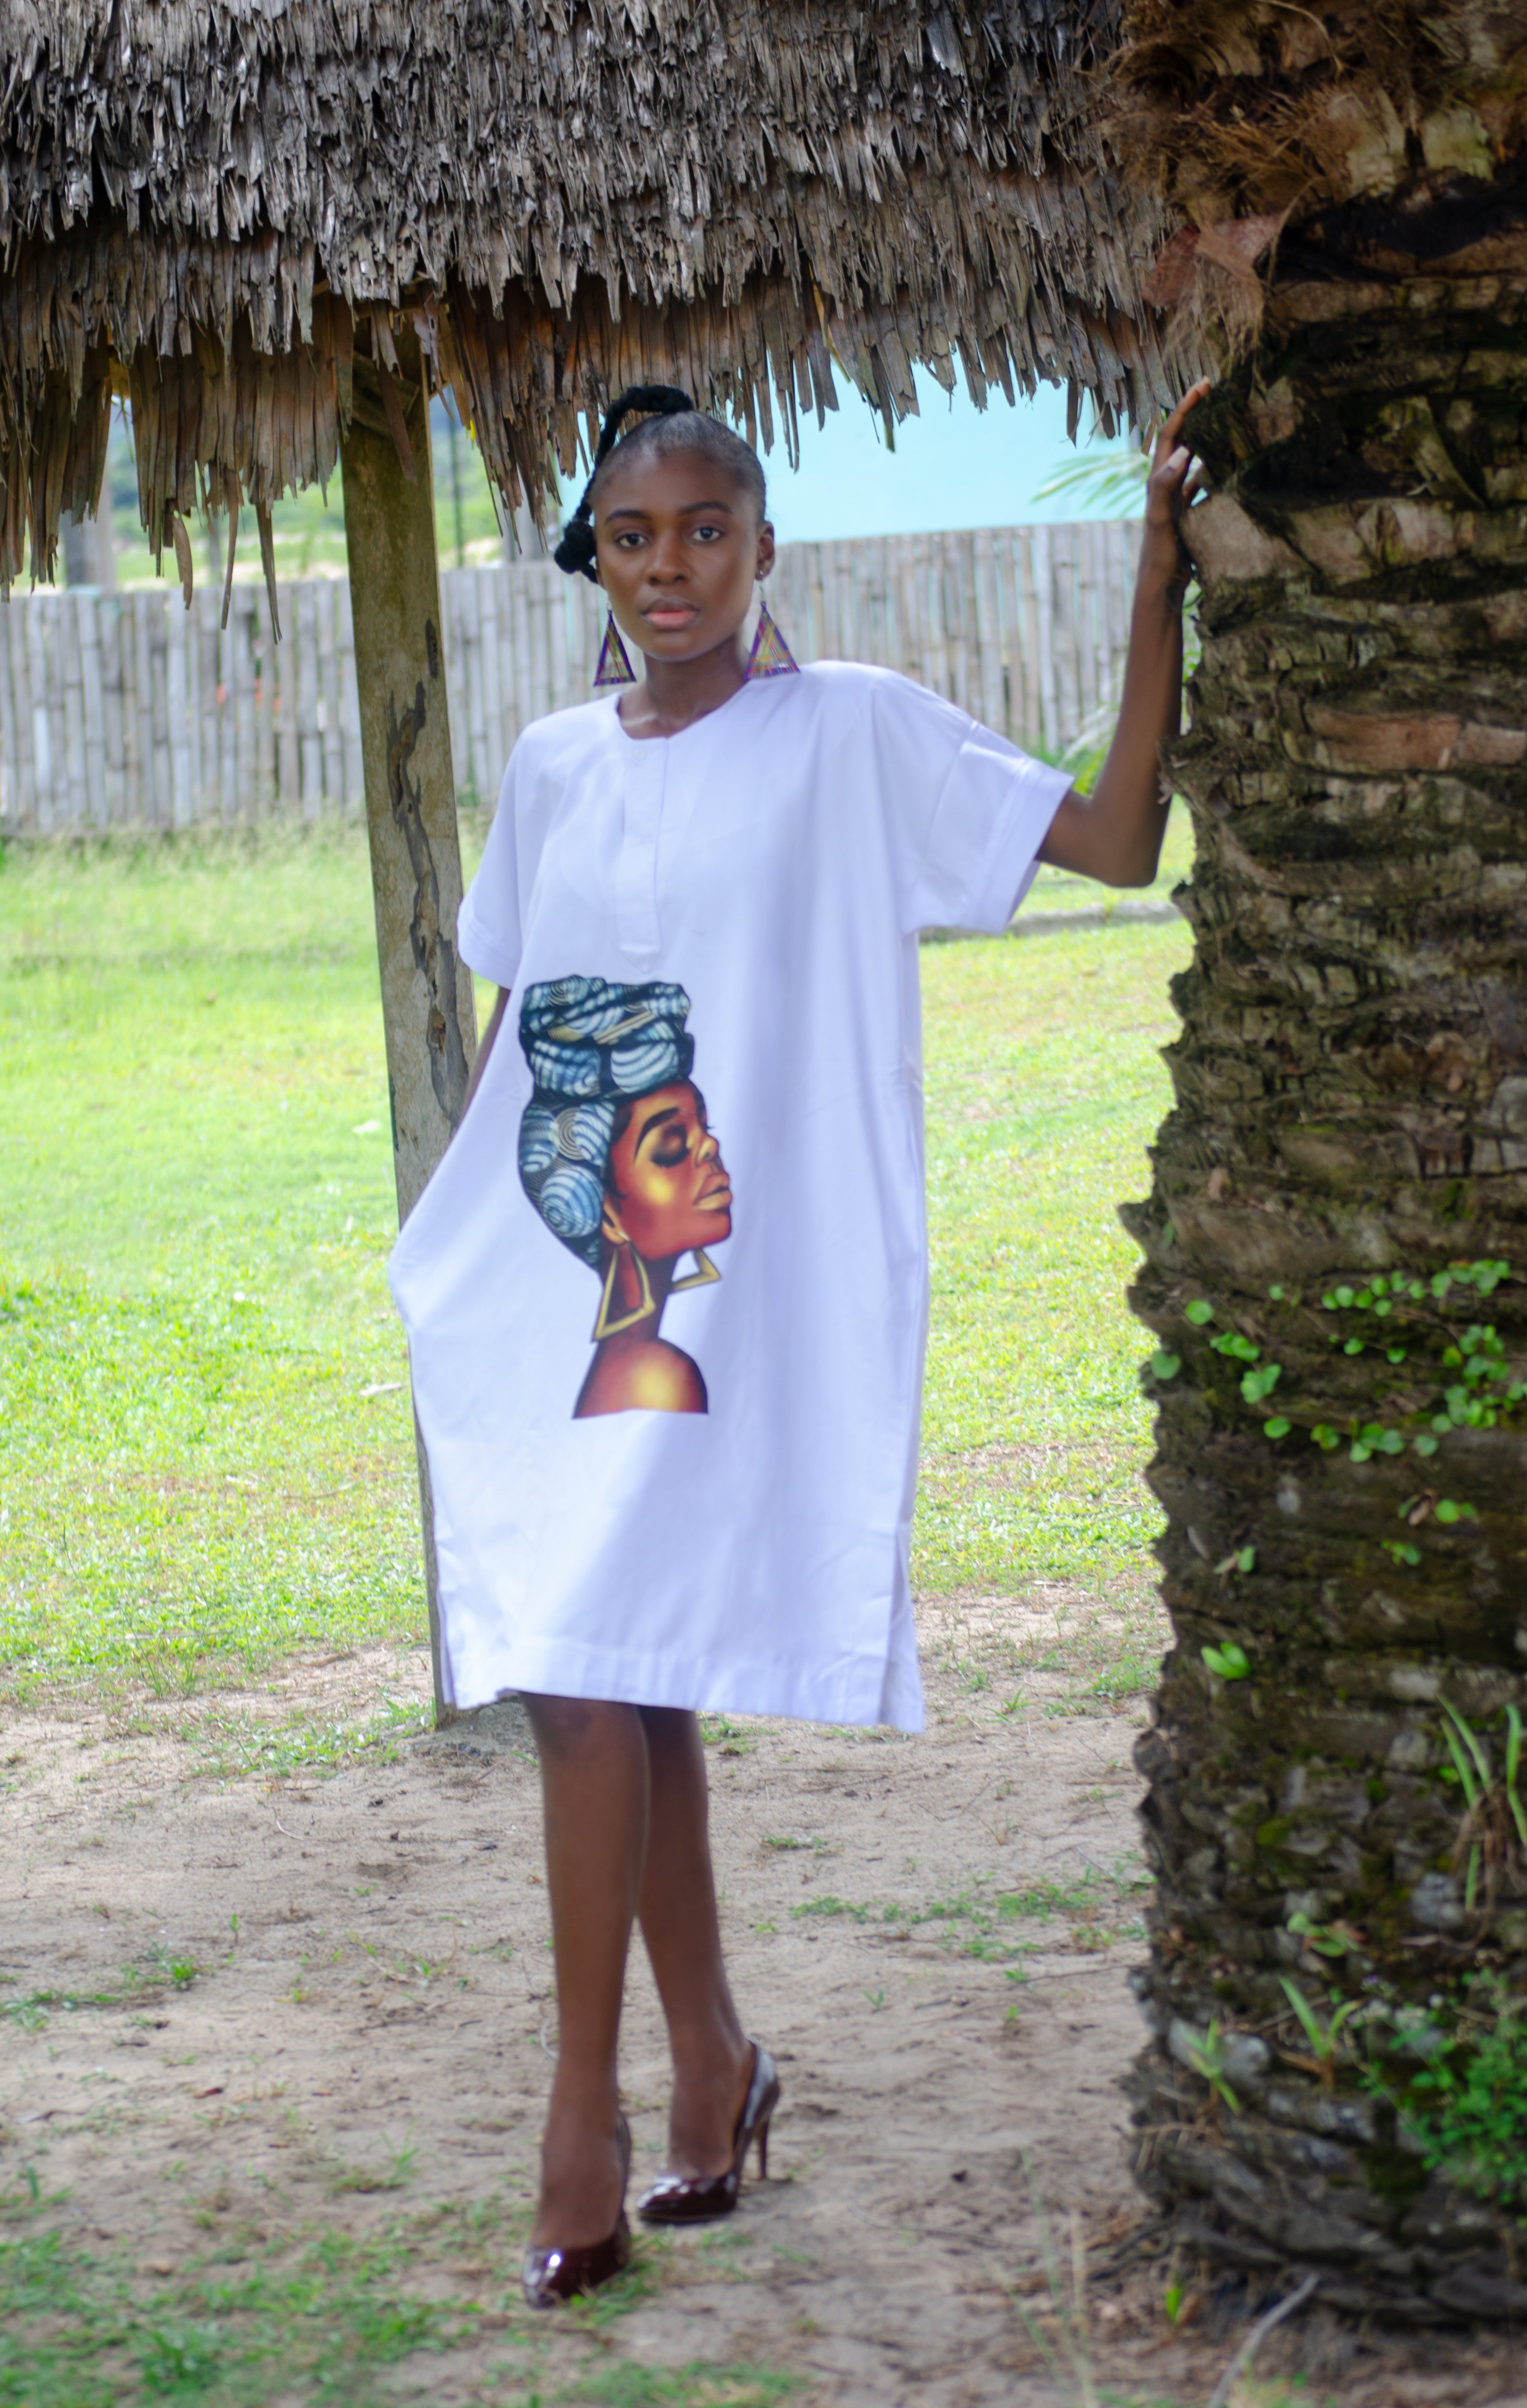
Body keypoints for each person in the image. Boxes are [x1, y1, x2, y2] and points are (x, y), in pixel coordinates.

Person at [387, 377, 1208, 2305]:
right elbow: (529, 1020)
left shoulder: (853, 735)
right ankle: (714, 2065)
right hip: (574, 1287)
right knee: (614, 1670)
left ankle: (581, 2115)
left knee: (591, 1679)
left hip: (742, 1287)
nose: (668, 565)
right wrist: (458, 1256)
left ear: (764, 549)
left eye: (705, 530)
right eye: (633, 536)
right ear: (596, 558)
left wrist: (1159, 560)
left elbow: (1109, 835)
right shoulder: (552, 763)